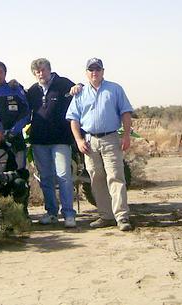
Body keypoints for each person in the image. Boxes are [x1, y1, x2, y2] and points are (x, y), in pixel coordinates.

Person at [65, 58, 134, 231]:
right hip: (89, 142)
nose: (94, 72)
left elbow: (126, 112)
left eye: (97, 69)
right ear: (86, 73)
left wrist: (126, 135)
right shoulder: (80, 93)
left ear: (103, 71)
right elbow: (73, 119)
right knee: (96, 178)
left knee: (116, 177)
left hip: (110, 138)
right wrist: (79, 140)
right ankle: (106, 216)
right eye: (91, 70)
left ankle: (122, 217)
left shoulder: (115, 89)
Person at [26, 58, 77, 228]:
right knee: (45, 178)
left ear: (49, 70)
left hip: (61, 140)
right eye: (37, 71)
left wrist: (80, 86)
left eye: (43, 70)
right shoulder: (33, 90)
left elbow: (80, 90)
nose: (41, 73)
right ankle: (52, 212)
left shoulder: (63, 84)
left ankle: (69, 214)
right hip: (39, 141)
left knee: (63, 176)